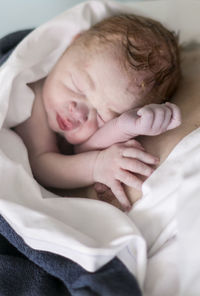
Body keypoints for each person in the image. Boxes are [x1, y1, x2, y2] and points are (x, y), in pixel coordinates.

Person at [13, 14, 181, 211]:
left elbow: (85, 147)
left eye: (102, 116)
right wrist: (95, 166)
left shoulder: (64, 97)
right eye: (78, 87)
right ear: (69, 47)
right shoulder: (32, 93)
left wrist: (128, 125)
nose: (79, 113)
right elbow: (41, 164)